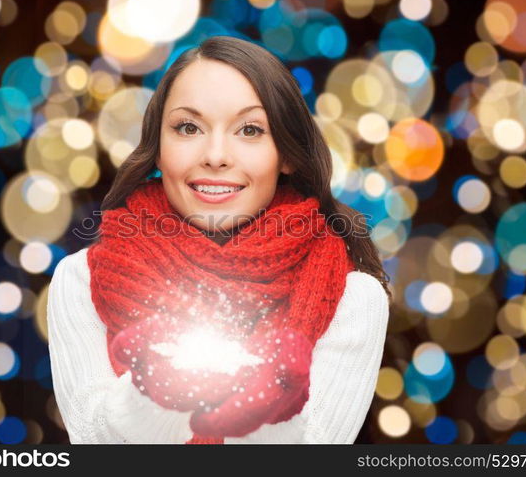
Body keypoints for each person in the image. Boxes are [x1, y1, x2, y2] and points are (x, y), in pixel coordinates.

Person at [47, 36, 390, 444]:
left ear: (287, 154)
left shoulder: (354, 299)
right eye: (188, 127)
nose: (215, 155)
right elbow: (93, 442)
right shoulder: (80, 280)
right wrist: (155, 390)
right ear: (158, 148)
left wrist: (270, 400)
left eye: (250, 130)